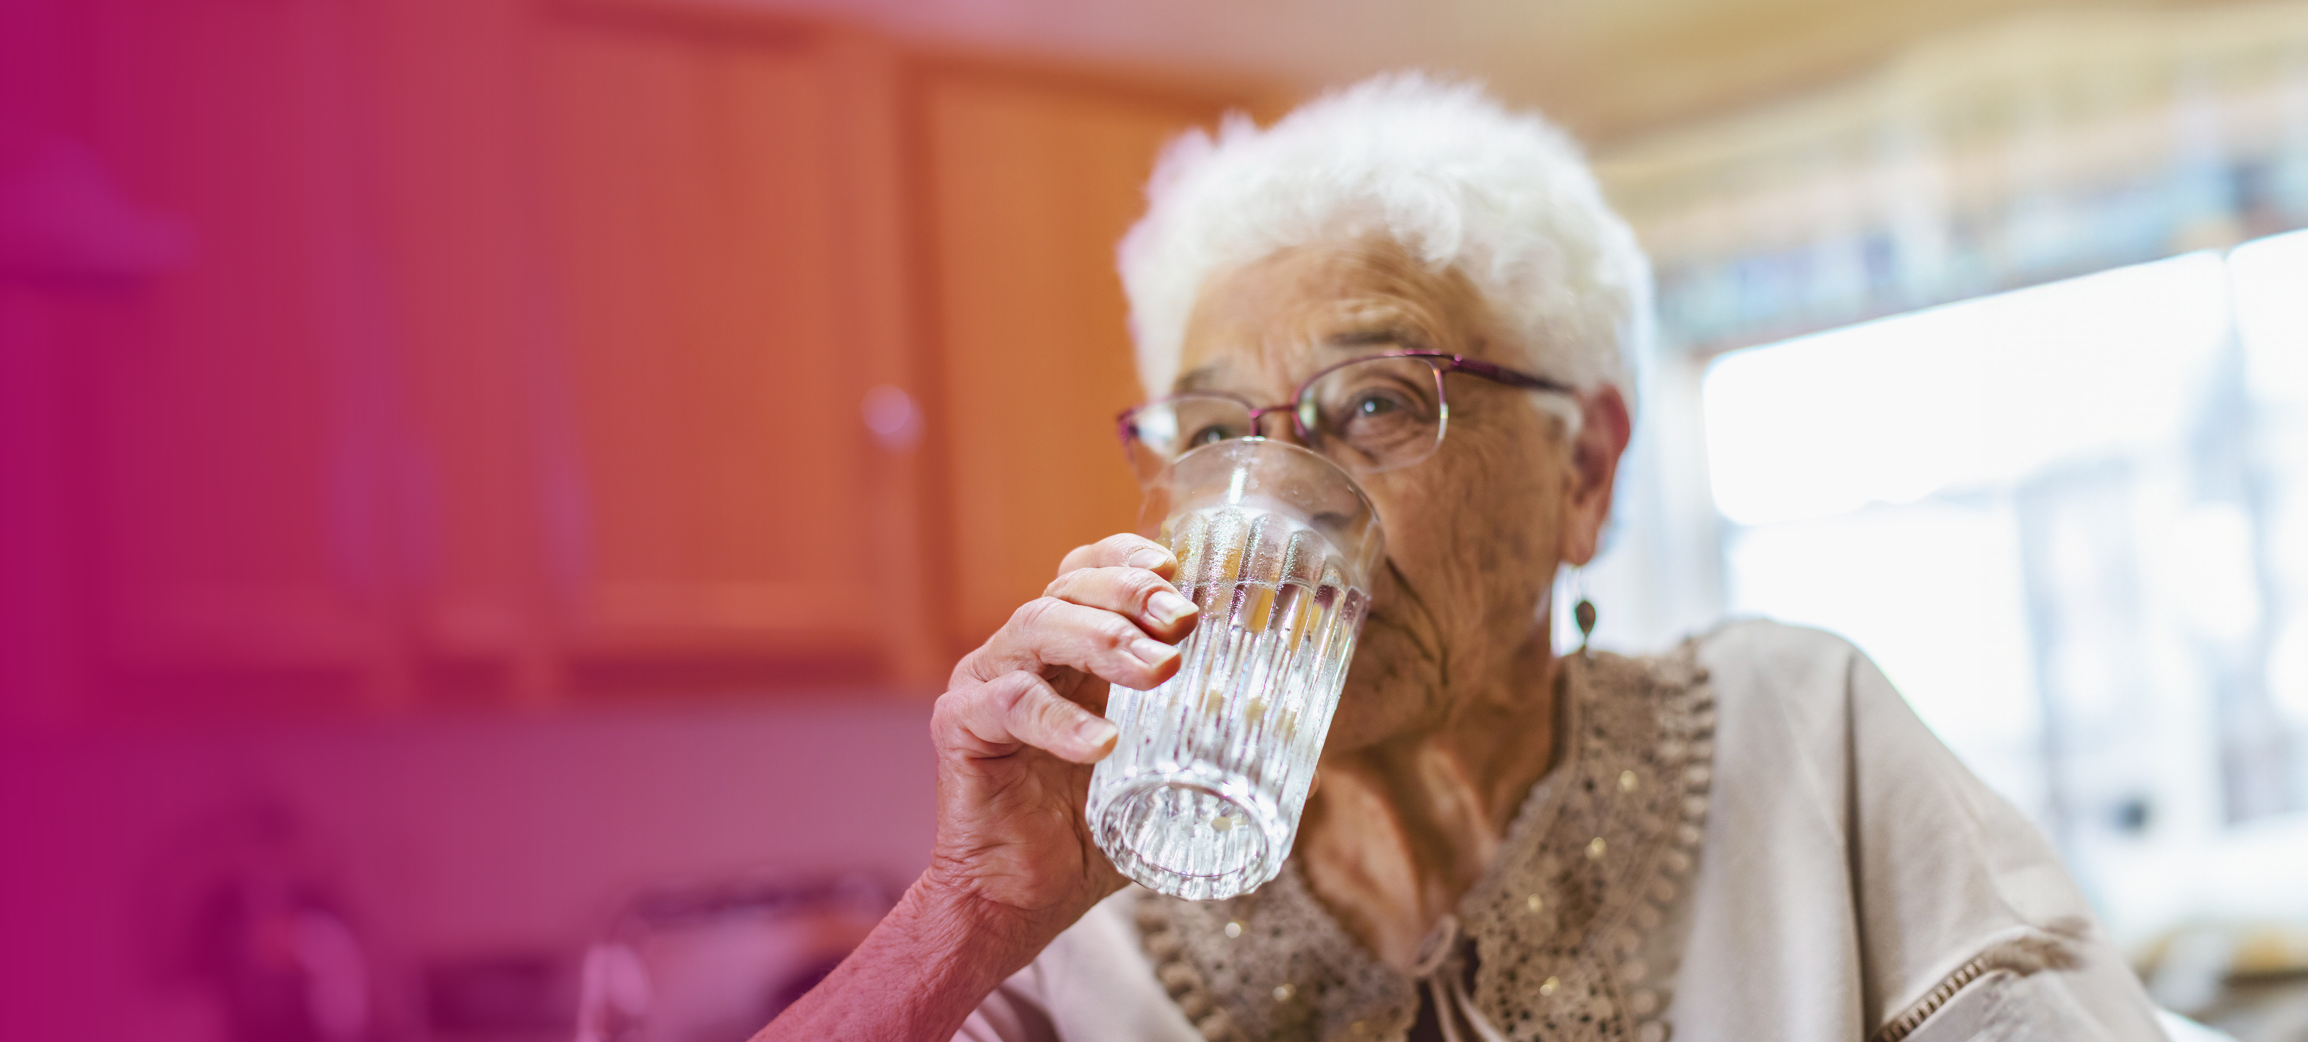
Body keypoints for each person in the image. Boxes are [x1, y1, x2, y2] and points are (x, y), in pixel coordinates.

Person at [749, 75, 2171, 1042]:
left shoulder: (1799, 741)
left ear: (1583, 472)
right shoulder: (1081, 905)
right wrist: (960, 917)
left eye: (1372, 402)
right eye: (1210, 435)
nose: (1280, 513)